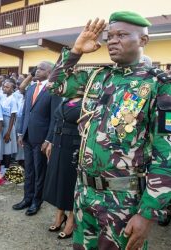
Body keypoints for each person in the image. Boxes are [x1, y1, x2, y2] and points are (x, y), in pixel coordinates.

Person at [48, 12, 171, 249]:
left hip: (123, 202)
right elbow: (55, 85)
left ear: (143, 40)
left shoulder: (159, 85)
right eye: (109, 36)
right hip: (84, 194)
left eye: (122, 35)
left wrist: (147, 213)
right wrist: (76, 52)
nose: (112, 41)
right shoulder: (98, 77)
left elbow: (166, 156)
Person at [13, 61, 61, 216]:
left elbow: (55, 117)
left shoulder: (53, 90)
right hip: (27, 135)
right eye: (36, 68)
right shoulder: (32, 87)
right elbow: (26, 112)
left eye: (41, 69)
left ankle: (36, 201)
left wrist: (49, 139)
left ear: (50, 72)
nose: (36, 71)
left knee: (40, 171)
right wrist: (21, 133)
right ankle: (27, 198)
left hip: (41, 138)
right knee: (29, 170)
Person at [43, 97, 82, 240]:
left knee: (70, 182)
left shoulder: (88, 100)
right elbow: (56, 121)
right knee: (58, 180)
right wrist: (51, 142)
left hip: (74, 146)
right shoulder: (66, 99)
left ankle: (71, 219)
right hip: (59, 144)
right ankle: (60, 214)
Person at [0, 79, 18, 169]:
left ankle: (6, 169)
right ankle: (2, 167)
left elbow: (12, 117)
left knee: (7, 148)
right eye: (4, 86)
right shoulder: (3, 98)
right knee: (2, 147)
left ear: (12, 89)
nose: (4, 88)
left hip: (8, 125)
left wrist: (8, 132)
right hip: (2, 125)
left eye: (7, 87)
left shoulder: (13, 100)